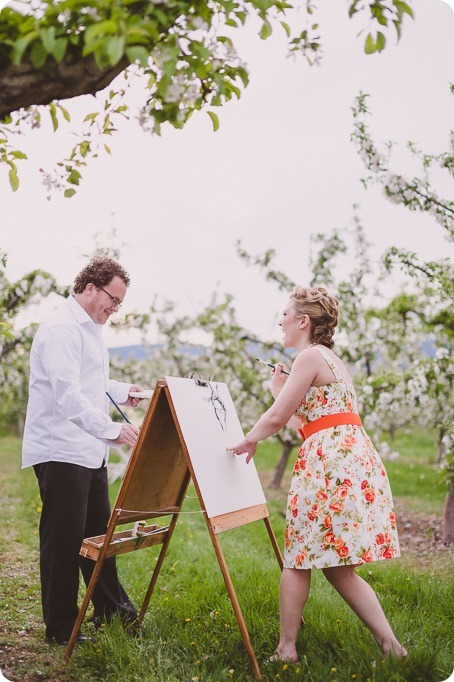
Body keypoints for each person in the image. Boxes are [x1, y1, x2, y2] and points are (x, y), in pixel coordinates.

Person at [228, 286, 407, 662]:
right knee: (339, 568)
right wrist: (279, 388)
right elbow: (309, 424)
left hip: (330, 467)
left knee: (298, 557)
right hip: (347, 461)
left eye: (285, 314)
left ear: (303, 321)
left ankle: (286, 649)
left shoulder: (309, 356)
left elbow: (278, 418)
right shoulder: (331, 359)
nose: (280, 321)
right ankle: (392, 648)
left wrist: (249, 440)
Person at [22, 257, 145, 645]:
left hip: (87, 452)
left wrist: (128, 392)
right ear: (90, 288)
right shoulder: (62, 327)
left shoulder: (89, 327)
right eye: (114, 299)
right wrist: (113, 429)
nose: (115, 308)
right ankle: (60, 628)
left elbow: (93, 381)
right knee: (63, 540)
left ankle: (113, 612)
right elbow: (68, 394)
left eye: (121, 302)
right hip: (61, 450)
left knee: (97, 537)